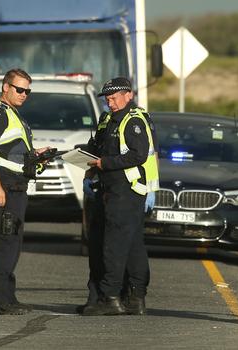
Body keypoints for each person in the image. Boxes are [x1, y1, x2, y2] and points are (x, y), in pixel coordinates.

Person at [81, 77, 159, 316]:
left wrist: (104, 163)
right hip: (111, 190)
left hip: (127, 192)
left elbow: (137, 155)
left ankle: (110, 297)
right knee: (133, 246)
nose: (110, 102)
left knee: (113, 247)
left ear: (129, 95)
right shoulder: (109, 119)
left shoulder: (134, 121)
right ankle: (135, 299)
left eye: (114, 98)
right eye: (107, 98)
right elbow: (99, 145)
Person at [0, 68, 49, 315]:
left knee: (13, 243)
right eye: (20, 89)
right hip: (5, 185)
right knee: (4, 243)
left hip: (17, 185)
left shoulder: (13, 114)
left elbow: (10, 150)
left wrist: (36, 155)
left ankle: (8, 296)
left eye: (27, 91)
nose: (24, 94)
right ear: (5, 87)